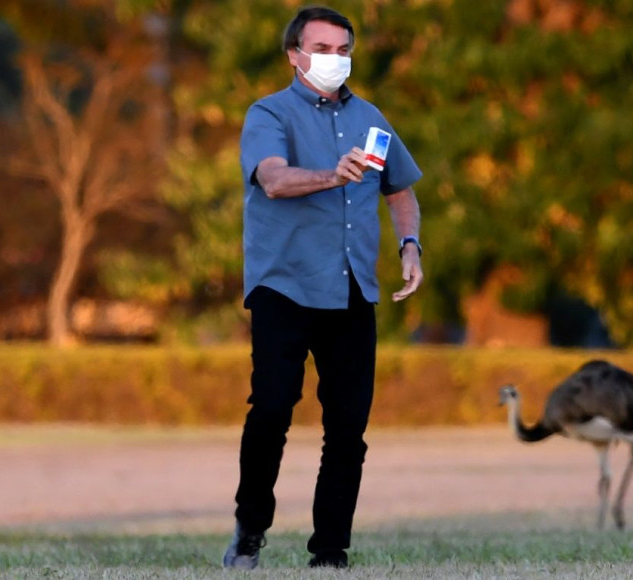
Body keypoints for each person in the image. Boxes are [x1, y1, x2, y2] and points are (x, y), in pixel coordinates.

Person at [223, 5, 423, 570]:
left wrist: (410, 245)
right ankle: (250, 528)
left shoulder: (372, 119)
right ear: (294, 55)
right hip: (285, 286)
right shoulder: (269, 114)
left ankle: (330, 551)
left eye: (342, 50)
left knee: (348, 427)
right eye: (322, 49)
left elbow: (400, 190)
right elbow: (273, 179)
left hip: (353, 290)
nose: (334, 60)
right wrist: (330, 175)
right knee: (271, 409)